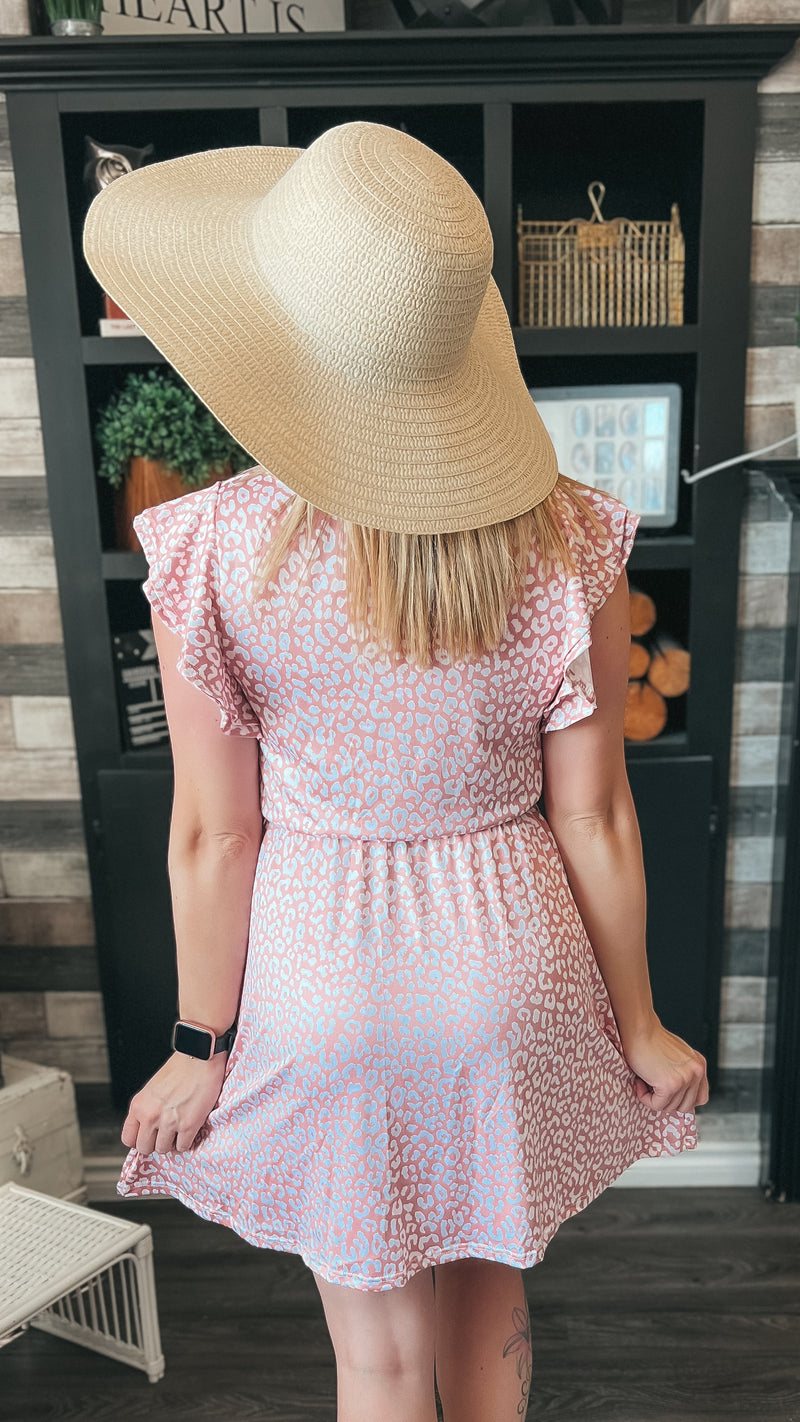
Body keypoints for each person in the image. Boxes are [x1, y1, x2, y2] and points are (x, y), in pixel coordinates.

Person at [82, 121, 708, 1422]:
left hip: (328, 989)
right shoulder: (577, 535)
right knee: (490, 1325)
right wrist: (640, 1026)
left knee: (373, 1363)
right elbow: (595, 813)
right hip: (509, 985)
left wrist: (204, 1043)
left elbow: (214, 834)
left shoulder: (206, 547)